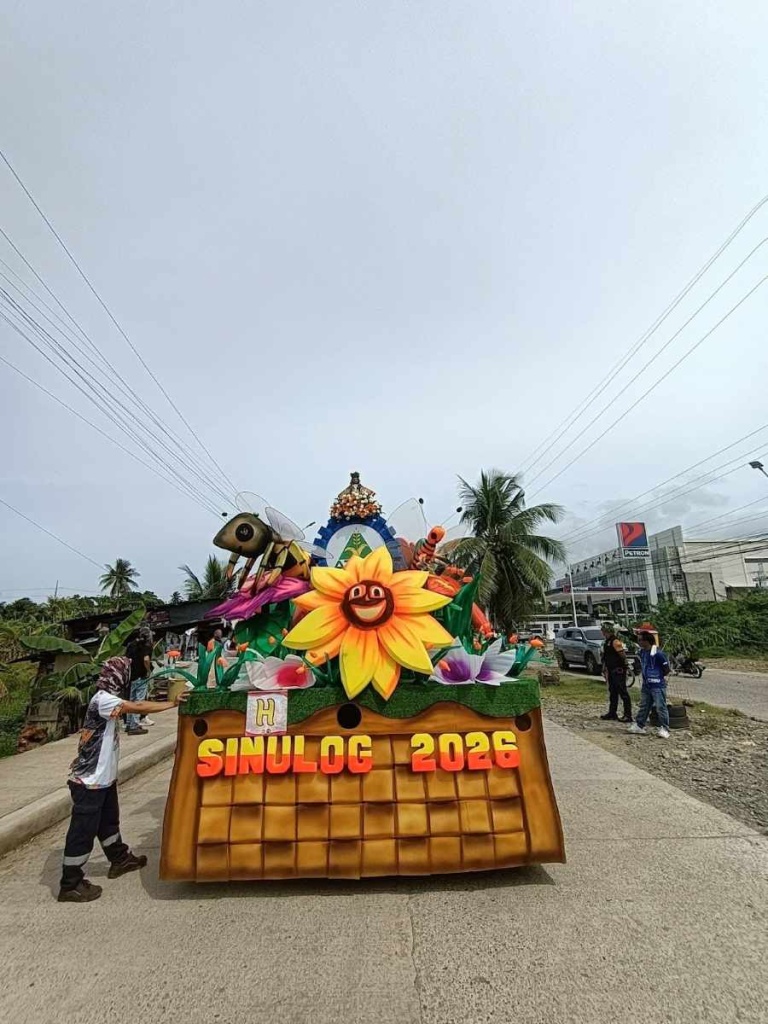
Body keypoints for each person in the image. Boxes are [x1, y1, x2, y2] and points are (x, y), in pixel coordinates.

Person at [58, 656, 185, 903]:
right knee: (82, 832)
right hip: (89, 781)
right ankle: (70, 883)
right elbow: (136, 707)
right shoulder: (103, 700)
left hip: (103, 779)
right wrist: (172, 704)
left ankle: (119, 859)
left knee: (108, 822)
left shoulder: (106, 699)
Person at [628, 631, 671, 739]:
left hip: (657, 685)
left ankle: (665, 728)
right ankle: (639, 724)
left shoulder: (658, 653)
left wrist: (658, 677)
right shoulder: (642, 652)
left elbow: (666, 669)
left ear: (646, 641)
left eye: (640, 640)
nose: (639, 642)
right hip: (646, 684)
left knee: (660, 706)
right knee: (644, 705)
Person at [600, 622, 632, 723]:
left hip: (618, 670)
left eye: (603, 631)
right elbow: (606, 657)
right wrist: (604, 668)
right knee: (612, 692)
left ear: (607, 631)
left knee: (623, 692)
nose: (602, 633)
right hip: (610, 670)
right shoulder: (607, 642)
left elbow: (622, 654)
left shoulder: (615, 641)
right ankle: (612, 713)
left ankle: (628, 715)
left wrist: (626, 666)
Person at [124, 627, 154, 735]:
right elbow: (146, 659)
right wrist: (148, 670)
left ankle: (128, 724)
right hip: (141, 676)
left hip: (131, 676)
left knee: (131, 701)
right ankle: (134, 725)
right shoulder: (145, 646)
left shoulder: (131, 645)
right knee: (139, 701)